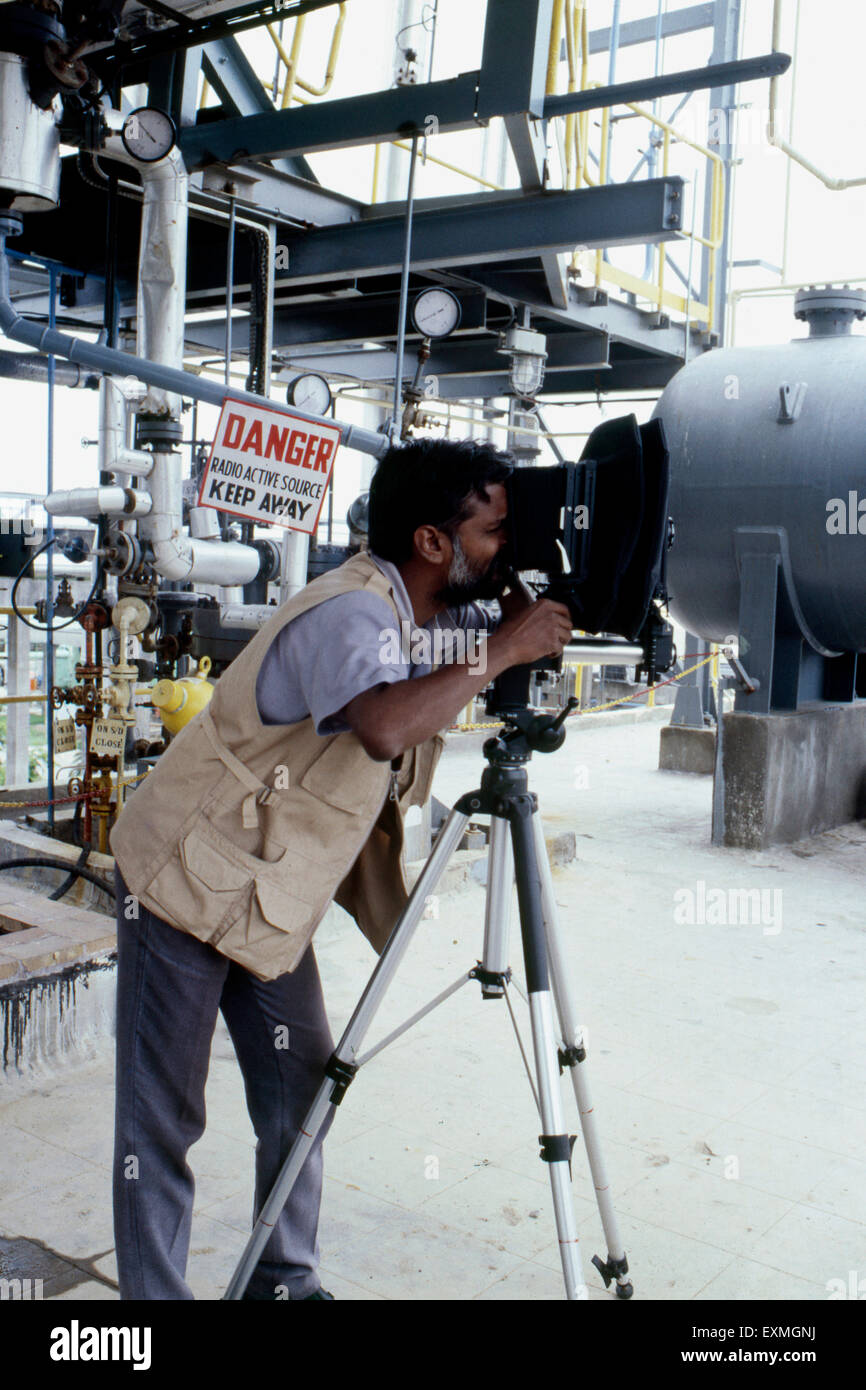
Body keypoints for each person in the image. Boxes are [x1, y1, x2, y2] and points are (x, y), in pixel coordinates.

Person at [109, 436, 574, 1300]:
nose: (501, 548)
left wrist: (523, 600)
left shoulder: (425, 608)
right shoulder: (354, 613)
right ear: (432, 542)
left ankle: (282, 1280)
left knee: (300, 1091)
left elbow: (479, 637)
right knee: (163, 1118)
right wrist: (504, 652)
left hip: (264, 895)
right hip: (182, 880)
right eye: (491, 532)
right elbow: (385, 727)